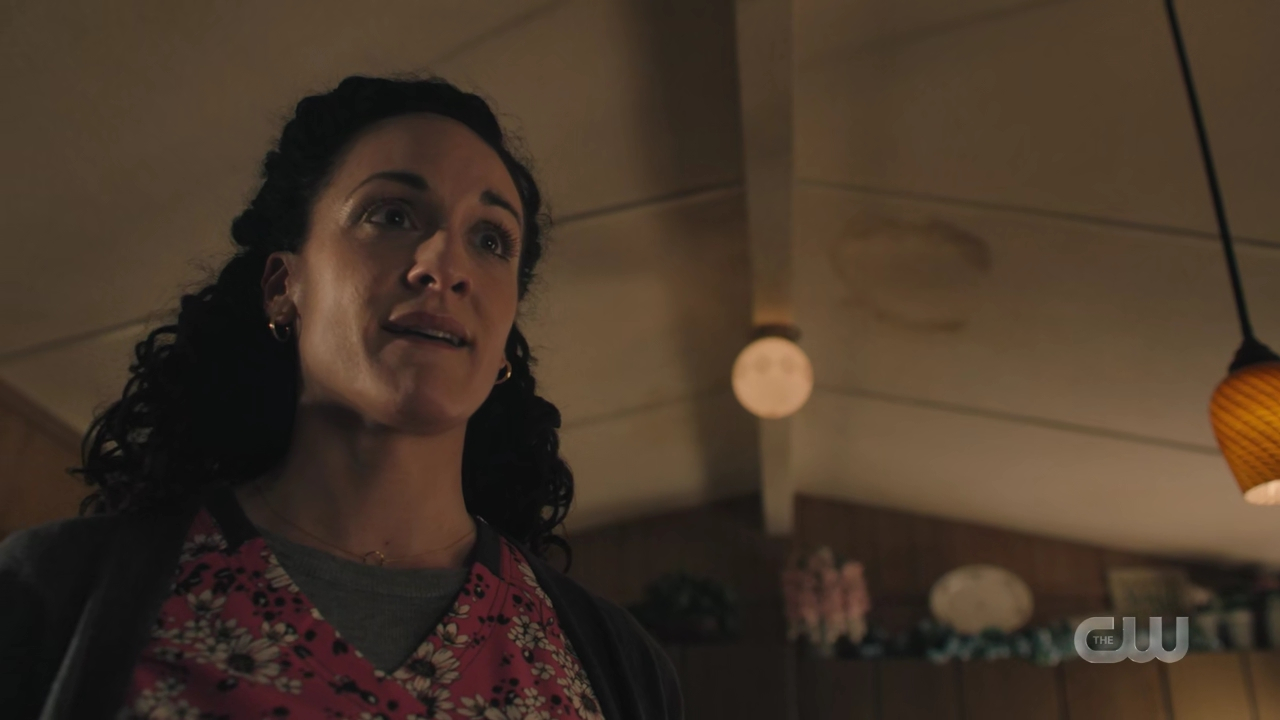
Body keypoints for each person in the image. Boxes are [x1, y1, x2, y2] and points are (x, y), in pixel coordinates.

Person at [0, 76, 682, 720]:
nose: (444, 265)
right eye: (392, 214)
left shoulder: (617, 665)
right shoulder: (52, 595)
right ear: (283, 286)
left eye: (490, 239)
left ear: (506, 334)